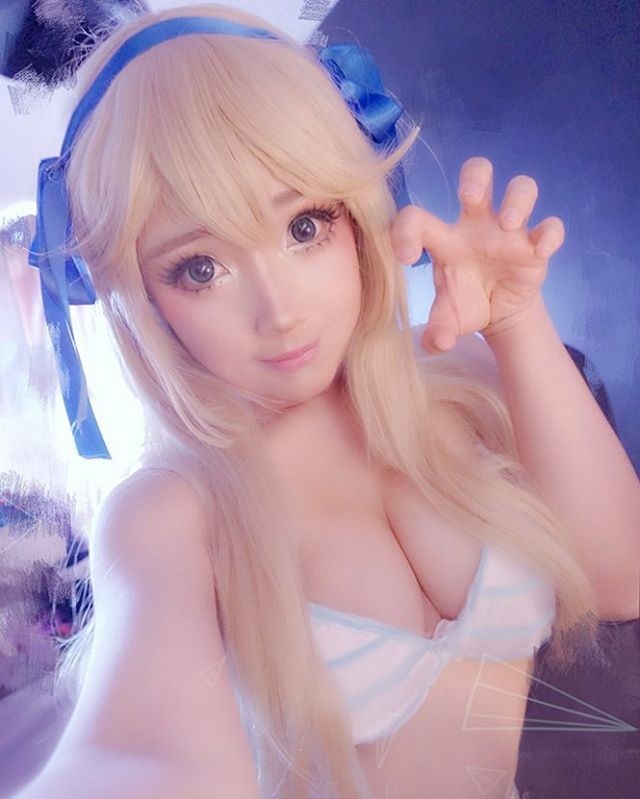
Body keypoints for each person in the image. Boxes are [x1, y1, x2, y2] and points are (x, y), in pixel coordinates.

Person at [13, 4, 640, 799]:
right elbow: (137, 756)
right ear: (144, 298)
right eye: (201, 269)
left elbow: (620, 580)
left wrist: (519, 323)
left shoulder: (462, 378)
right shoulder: (170, 513)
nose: (280, 311)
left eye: (304, 226)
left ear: (355, 213)